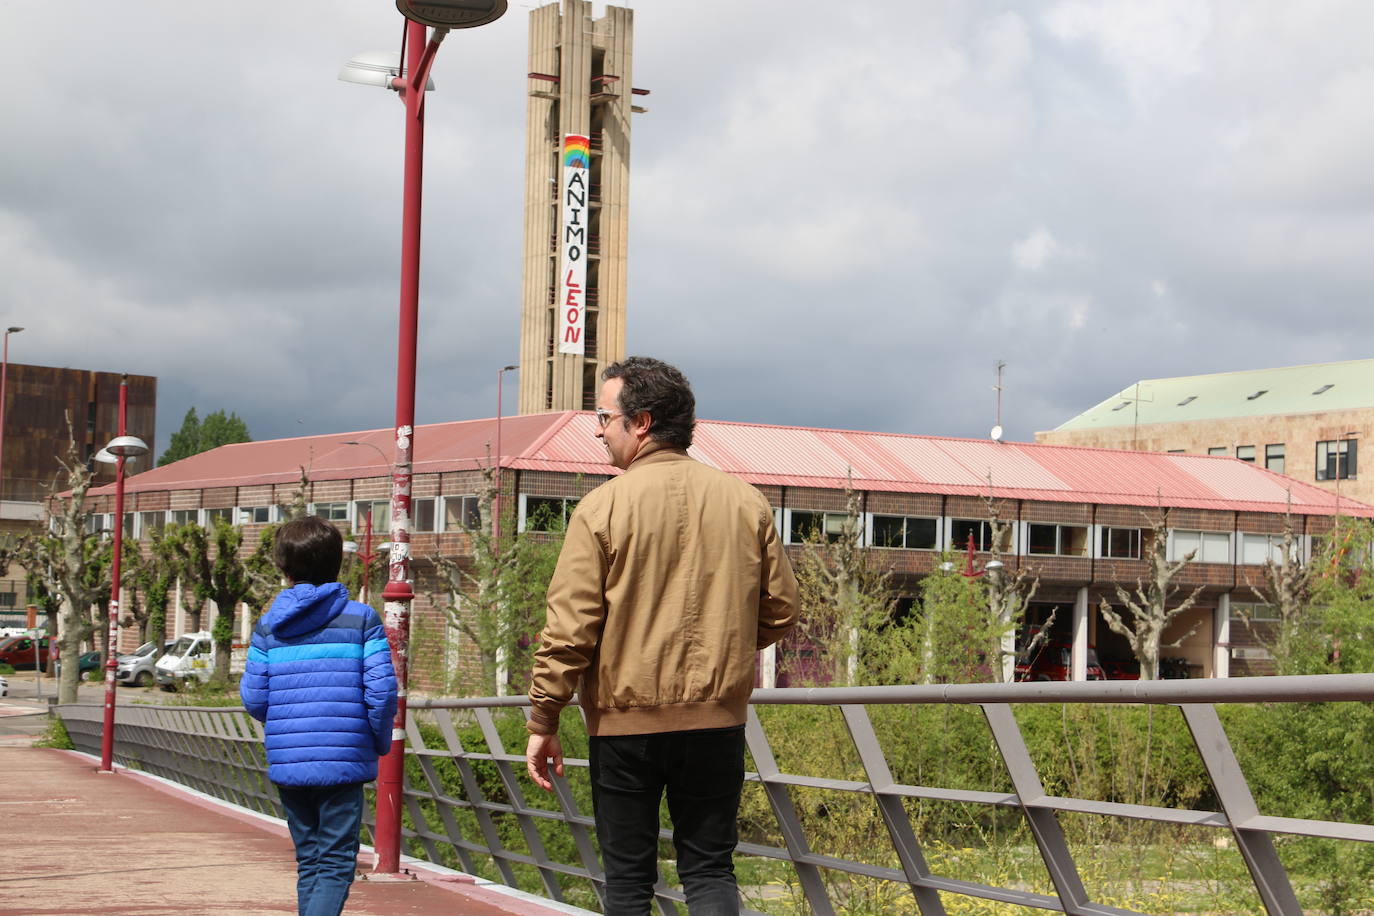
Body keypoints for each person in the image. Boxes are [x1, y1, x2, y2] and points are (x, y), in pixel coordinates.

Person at [525, 356, 799, 915]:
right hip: (716, 721)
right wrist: (730, 647)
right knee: (710, 869)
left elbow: (569, 630)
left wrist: (543, 719)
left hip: (624, 727)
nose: (598, 430)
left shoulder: (602, 508)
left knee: (627, 881)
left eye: (603, 416)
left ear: (641, 422)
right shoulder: (745, 502)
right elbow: (782, 610)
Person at [240, 515, 398, 916]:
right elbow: (381, 693)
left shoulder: (267, 627)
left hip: (289, 760)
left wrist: (287, 727)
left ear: (285, 567)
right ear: (336, 564)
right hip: (344, 758)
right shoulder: (361, 619)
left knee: (309, 859)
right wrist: (376, 743)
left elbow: (255, 697)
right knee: (335, 862)